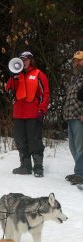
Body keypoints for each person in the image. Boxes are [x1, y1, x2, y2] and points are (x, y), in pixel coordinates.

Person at [6, 51, 50, 177]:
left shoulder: (38, 74)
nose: (23, 62)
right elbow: (8, 91)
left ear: (31, 60)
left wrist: (42, 110)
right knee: (20, 140)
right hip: (19, 114)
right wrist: (12, 77)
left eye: (26, 60)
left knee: (34, 140)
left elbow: (45, 94)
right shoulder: (16, 76)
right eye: (21, 59)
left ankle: (38, 167)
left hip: (33, 113)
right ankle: (25, 166)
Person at [63, 51, 83, 186]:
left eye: (79, 60)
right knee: (73, 147)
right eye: (75, 61)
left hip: (80, 116)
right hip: (71, 115)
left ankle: (81, 174)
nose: (76, 63)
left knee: (81, 146)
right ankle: (78, 171)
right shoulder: (75, 78)